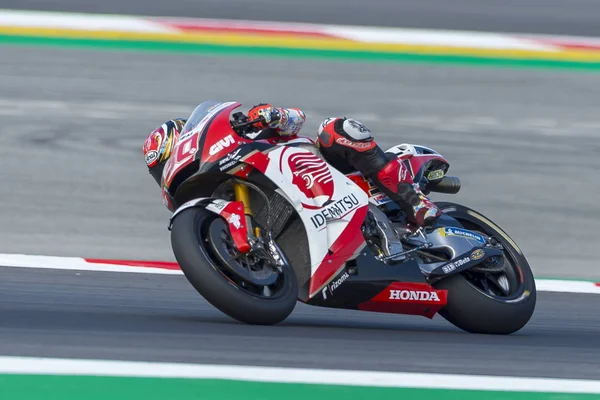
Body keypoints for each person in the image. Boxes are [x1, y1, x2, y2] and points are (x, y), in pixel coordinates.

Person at [143, 103, 441, 228]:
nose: (169, 171)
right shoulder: (206, 210)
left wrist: (273, 117)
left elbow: (296, 118)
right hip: (306, 219)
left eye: (169, 159)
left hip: (326, 173)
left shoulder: (245, 130)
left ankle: (413, 200)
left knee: (335, 128)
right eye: (161, 171)